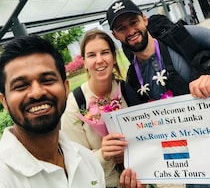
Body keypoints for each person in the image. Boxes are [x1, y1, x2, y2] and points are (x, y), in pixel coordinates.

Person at [0, 34, 142, 188]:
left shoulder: (85, 161)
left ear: (66, 88)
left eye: (47, 80)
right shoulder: (5, 176)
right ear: (4, 101)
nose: (37, 93)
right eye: (20, 86)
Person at [106, 0, 210, 188]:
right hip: (194, 165)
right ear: (115, 35)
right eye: (122, 29)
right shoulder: (132, 80)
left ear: (144, 20)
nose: (130, 31)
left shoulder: (181, 37)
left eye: (133, 22)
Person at [61, 29, 142, 188]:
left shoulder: (127, 90)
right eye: (91, 55)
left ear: (113, 57)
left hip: (136, 180)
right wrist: (104, 154)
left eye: (105, 52)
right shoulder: (75, 104)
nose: (99, 60)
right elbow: (72, 160)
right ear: (84, 61)